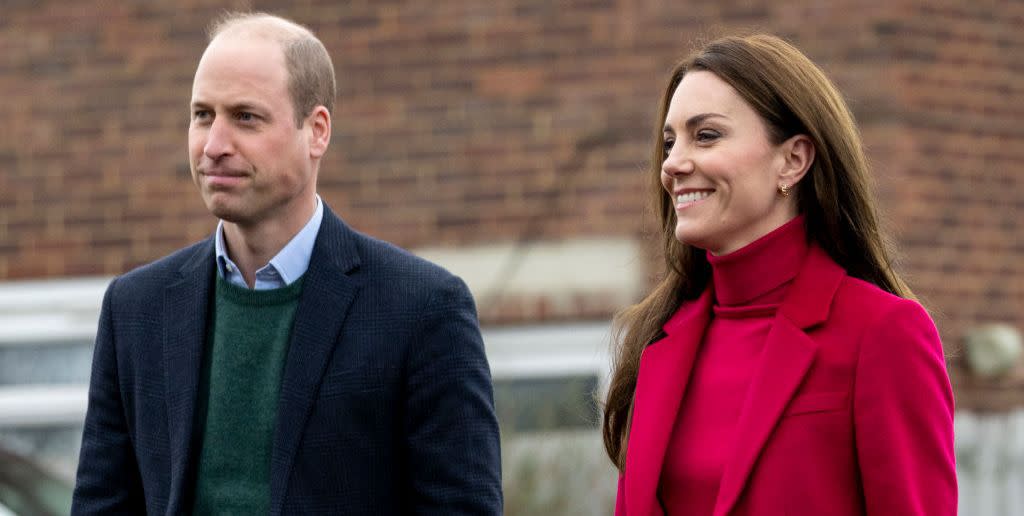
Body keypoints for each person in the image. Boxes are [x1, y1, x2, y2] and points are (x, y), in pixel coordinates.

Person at [72, 12, 502, 515]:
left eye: (245, 117)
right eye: (202, 115)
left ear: (316, 131)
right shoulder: (134, 309)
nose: (214, 145)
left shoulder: (422, 309)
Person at [602, 34, 956, 515]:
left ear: (793, 159)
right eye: (669, 142)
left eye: (705, 135)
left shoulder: (882, 332)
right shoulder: (654, 342)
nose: (673, 164)